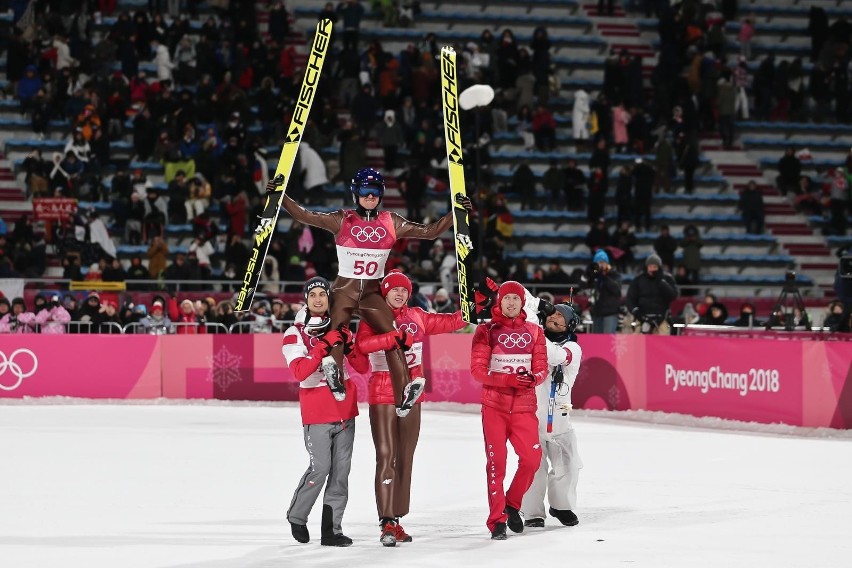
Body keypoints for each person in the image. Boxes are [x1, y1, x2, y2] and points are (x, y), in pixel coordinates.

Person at [278, 168, 472, 417]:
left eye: (376, 192)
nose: (370, 197)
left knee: (394, 335)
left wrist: (456, 213)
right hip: (345, 290)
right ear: (355, 193)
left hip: (372, 292)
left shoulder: (391, 221)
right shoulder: (342, 219)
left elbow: (430, 232)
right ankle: (334, 374)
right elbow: (305, 216)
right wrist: (281, 197)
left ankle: (404, 391)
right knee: (336, 332)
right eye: (364, 191)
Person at [355, 270, 466, 546]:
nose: (400, 293)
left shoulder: (418, 315)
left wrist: (472, 303)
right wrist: (393, 339)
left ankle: (397, 519)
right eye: (395, 289)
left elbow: (452, 321)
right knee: (386, 455)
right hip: (382, 392)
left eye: (404, 289)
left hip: (412, 393)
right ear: (385, 292)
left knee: (405, 456)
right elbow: (363, 344)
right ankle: (386, 522)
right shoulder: (374, 315)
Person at [283, 276, 371, 547]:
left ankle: (331, 530)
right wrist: (324, 345)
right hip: (317, 410)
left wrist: (350, 344)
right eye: (313, 295)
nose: (319, 299)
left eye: (323, 294)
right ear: (306, 301)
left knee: (340, 473)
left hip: (345, 410)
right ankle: (297, 515)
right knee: (320, 469)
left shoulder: (339, 326)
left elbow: (363, 367)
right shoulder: (294, 333)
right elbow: (299, 371)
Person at [470, 281, 548, 540]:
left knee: (532, 460)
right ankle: (496, 521)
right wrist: (507, 380)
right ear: (499, 302)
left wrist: (533, 379)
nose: (511, 303)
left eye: (516, 298)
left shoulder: (535, 332)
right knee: (497, 465)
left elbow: (542, 368)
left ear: (522, 302)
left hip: (525, 407)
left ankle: (512, 504)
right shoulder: (486, 331)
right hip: (495, 407)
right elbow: (478, 371)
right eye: (507, 299)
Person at [520, 301, 583, 528]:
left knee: (567, 463)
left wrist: (533, 324)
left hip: (561, 415)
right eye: (552, 313)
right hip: (531, 413)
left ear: (570, 325)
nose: (554, 318)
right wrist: (536, 307)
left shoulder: (573, 349)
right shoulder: (530, 337)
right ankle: (533, 513)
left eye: (560, 317)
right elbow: (522, 299)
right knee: (533, 465)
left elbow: (555, 355)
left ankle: (561, 506)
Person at [626, 255, 679, 334]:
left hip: (662, 317)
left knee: (662, 342)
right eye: (650, 267)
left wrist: (661, 282)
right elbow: (630, 299)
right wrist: (636, 312)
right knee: (637, 342)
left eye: (654, 267)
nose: (652, 269)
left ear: (659, 267)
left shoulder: (667, 279)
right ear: (646, 267)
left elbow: (673, 296)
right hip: (641, 317)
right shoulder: (638, 280)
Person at [584, 249, 622, 334]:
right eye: (598, 263)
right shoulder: (594, 276)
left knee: (608, 339)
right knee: (598, 341)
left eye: (602, 262)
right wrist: (587, 274)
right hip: (597, 312)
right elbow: (582, 286)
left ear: (607, 263)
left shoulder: (614, 274)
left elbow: (616, 289)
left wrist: (603, 276)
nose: (600, 265)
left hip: (610, 313)